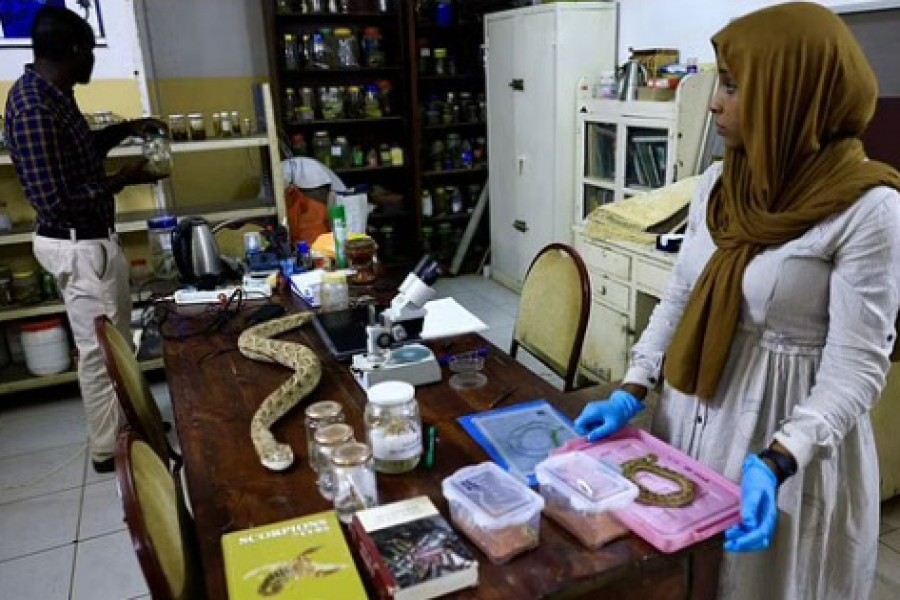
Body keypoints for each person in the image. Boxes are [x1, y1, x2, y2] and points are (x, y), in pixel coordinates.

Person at [574, 3, 900, 600]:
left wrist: (778, 459)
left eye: (732, 85)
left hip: (791, 441)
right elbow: (679, 296)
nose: (716, 102)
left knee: (771, 582)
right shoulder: (722, 184)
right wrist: (632, 386)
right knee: (696, 576)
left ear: (789, 95)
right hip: (700, 420)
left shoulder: (867, 207)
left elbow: (859, 365)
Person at [4, 6, 168, 473]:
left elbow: (81, 151)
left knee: (118, 342)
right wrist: (121, 180)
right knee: (98, 352)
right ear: (73, 51)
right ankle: (106, 447)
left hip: (95, 240)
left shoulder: (56, 95)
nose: (93, 59)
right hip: (76, 245)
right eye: (90, 50)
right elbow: (53, 199)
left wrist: (126, 130)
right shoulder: (33, 107)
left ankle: (135, 422)